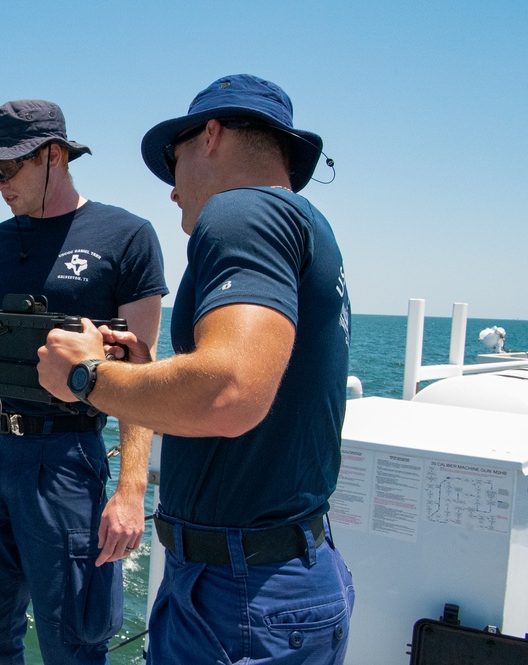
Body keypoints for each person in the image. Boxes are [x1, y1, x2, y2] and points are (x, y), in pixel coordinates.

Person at [37, 75, 355, 664]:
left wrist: (88, 378)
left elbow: (229, 392)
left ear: (210, 136)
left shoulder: (244, 210)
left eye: (172, 159)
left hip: (239, 595)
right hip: (286, 572)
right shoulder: (309, 226)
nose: (171, 190)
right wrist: (144, 373)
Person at [0, 99, 169, 665]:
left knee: (74, 641)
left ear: (53, 155)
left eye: (5, 170)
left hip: (66, 456)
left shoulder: (128, 236)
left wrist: (130, 490)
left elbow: (141, 375)